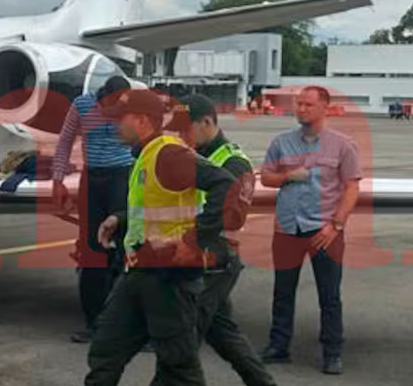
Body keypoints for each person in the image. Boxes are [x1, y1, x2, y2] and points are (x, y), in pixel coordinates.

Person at [84, 88, 235, 386]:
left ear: (141, 120)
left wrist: (194, 239)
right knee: (105, 350)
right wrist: (121, 219)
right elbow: (156, 202)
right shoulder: (146, 154)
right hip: (139, 271)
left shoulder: (168, 152)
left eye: (120, 118)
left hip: (169, 278)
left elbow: (225, 185)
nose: (115, 125)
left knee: (178, 367)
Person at [172, 94, 277, 386]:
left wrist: (192, 238)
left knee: (183, 339)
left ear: (207, 122)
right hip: (193, 256)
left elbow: (229, 214)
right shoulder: (192, 154)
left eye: (186, 128)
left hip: (214, 260)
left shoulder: (233, 162)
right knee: (224, 333)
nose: (182, 135)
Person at [258, 85, 360, 375]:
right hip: (288, 227)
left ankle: (332, 352)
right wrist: (287, 176)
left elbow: (352, 186)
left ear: (324, 108)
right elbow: (266, 177)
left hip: (324, 230)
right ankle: (278, 346)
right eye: (298, 104)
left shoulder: (342, 145)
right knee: (283, 291)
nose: (301, 109)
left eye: (307, 105)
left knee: (329, 295)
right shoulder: (281, 143)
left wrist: (336, 225)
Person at [52, 75, 137, 343]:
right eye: (111, 108)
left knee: (126, 249)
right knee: (92, 252)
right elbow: (65, 141)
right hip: (93, 179)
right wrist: (57, 180)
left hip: (122, 177)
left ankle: (128, 324)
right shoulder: (82, 105)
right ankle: (94, 322)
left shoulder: (132, 109)